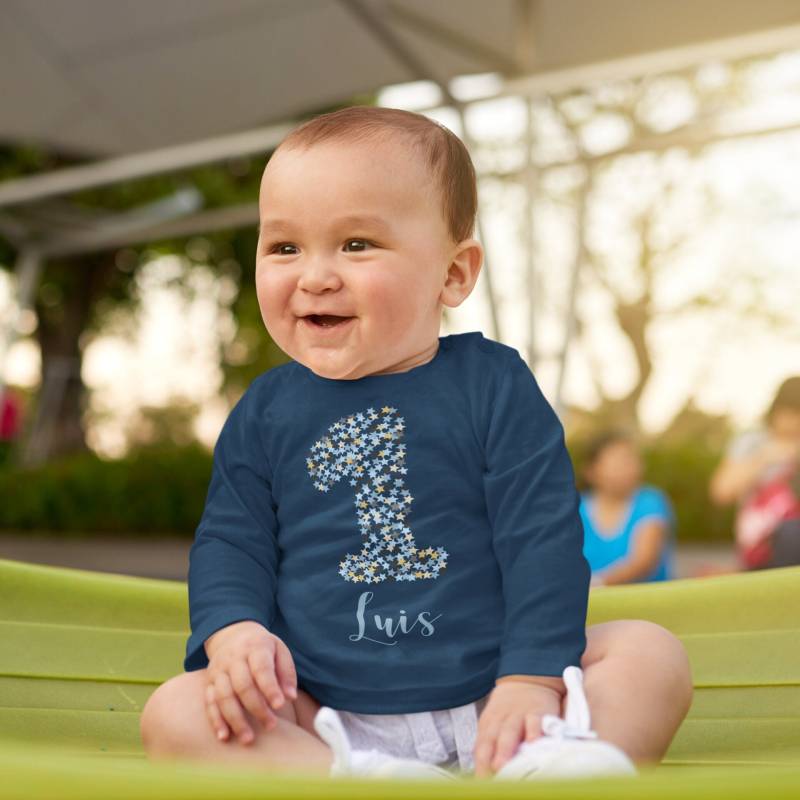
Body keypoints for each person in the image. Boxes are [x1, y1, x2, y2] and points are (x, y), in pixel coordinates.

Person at [140, 106, 693, 781]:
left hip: (501, 692)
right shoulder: (265, 413)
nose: (315, 275)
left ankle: (557, 763)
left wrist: (532, 676)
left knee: (650, 655)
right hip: (326, 714)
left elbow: (540, 537)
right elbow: (232, 542)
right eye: (285, 247)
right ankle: (357, 780)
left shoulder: (492, 385)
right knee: (176, 712)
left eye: (356, 245)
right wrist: (234, 634)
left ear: (454, 275)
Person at [710, 376, 800, 570]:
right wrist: (765, 458)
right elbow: (721, 492)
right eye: (793, 414)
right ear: (777, 411)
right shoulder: (752, 442)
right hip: (761, 550)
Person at [578, 429, 676, 586]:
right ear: (591, 471)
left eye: (631, 460)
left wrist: (596, 583)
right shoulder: (575, 508)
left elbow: (644, 562)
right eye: (618, 462)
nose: (629, 468)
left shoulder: (651, 501)